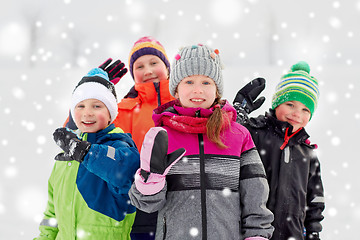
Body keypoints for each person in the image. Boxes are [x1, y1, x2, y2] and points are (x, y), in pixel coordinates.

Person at [129, 44, 274, 240]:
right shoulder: (161, 136)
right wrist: (151, 182)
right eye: (189, 82)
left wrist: (257, 235)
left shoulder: (239, 135)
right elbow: (147, 204)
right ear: (176, 90)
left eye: (206, 83)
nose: (197, 90)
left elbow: (256, 195)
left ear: (217, 91)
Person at [64, 36, 175, 239]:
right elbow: (77, 135)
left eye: (154, 63)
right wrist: (91, 92)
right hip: (138, 202)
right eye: (139, 66)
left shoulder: (183, 102)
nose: (148, 70)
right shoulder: (124, 110)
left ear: (167, 67)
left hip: (180, 197)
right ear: (133, 74)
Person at [34, 68, 140, 239]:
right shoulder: (65, 157)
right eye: (80, 106)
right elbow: (52, 212)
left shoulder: (120, 146)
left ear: (110, 113)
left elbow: (124, 172)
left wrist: (84, 151)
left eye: (97, 106)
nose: (87, 112)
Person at [233, 61, 325, 240]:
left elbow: (315, 200)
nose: (297, 113)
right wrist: (238, 114)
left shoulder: (307, 153)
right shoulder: (255, 132)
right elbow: (227, 140)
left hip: (293, 234)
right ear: (277, 103)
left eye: (305, 109)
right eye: (290, 104)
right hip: (254, 232)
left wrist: (313, 231)